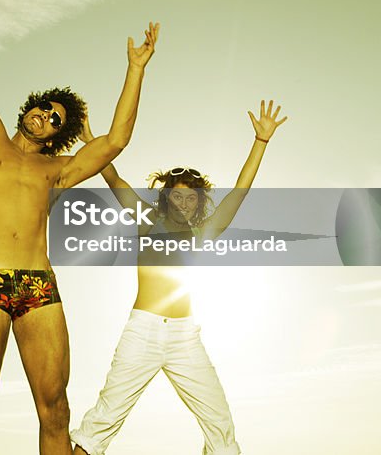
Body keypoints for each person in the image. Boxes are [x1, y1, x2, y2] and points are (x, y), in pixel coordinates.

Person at [0, 0, 160, 455]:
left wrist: (135, 69)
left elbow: (115, 140)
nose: (47, 115)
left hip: (39, 286)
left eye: (56, 119)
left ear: (58, 135)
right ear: (30, 109)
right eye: (44, 107)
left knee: (57, 410)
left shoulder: (56, 171)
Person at [71, 100, 288, 455]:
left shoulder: (203, 232)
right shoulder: (147, 222)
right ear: (166, 198)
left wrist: (260, 142)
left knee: (220, 429)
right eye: (177, 194)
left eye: (191, 196)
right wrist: (92, 140)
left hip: (185, 337)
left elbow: (239, 193)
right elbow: (114, 178)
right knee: (101, 423)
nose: (184, 201)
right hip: (142, 332)